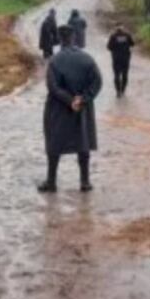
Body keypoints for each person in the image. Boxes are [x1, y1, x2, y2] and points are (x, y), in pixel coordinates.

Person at [39, 25, 103, 193]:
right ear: (74, 37)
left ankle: (51, 182)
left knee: (54, 143)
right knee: (83, 142)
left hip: (58, 108)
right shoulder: (88, 59)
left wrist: (69, 100)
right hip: (82, 108)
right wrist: (83, 99)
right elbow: (97, 82)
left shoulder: (55, 61)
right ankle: (85, 182)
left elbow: (52, 87)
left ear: (60, 39)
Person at [106, 24, 135, 97]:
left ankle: (118, 91)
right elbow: (132, 44)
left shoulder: (113, 36)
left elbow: (109, 47)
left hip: (116, 59)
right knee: (125, 74)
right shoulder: (127, 35)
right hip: (125, 58)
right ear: (123, 28)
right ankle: (123, 90)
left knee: (116, 75)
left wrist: (115, 49)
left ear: (115, 28)